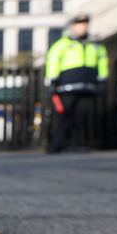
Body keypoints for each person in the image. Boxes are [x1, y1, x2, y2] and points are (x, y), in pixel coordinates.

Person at [45, 14, 108, 153]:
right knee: (63, 116)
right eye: (80, 24)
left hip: (87, 85)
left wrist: (103, 79)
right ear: (73, 26)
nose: (83, 27)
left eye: (85, 24)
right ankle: (57, 144)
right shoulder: (63, 44)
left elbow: (103, 61)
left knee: (80, 117)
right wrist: (52, 80)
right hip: (66, 86)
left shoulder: (95, 44)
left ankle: (76, 144)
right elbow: (53, 61)